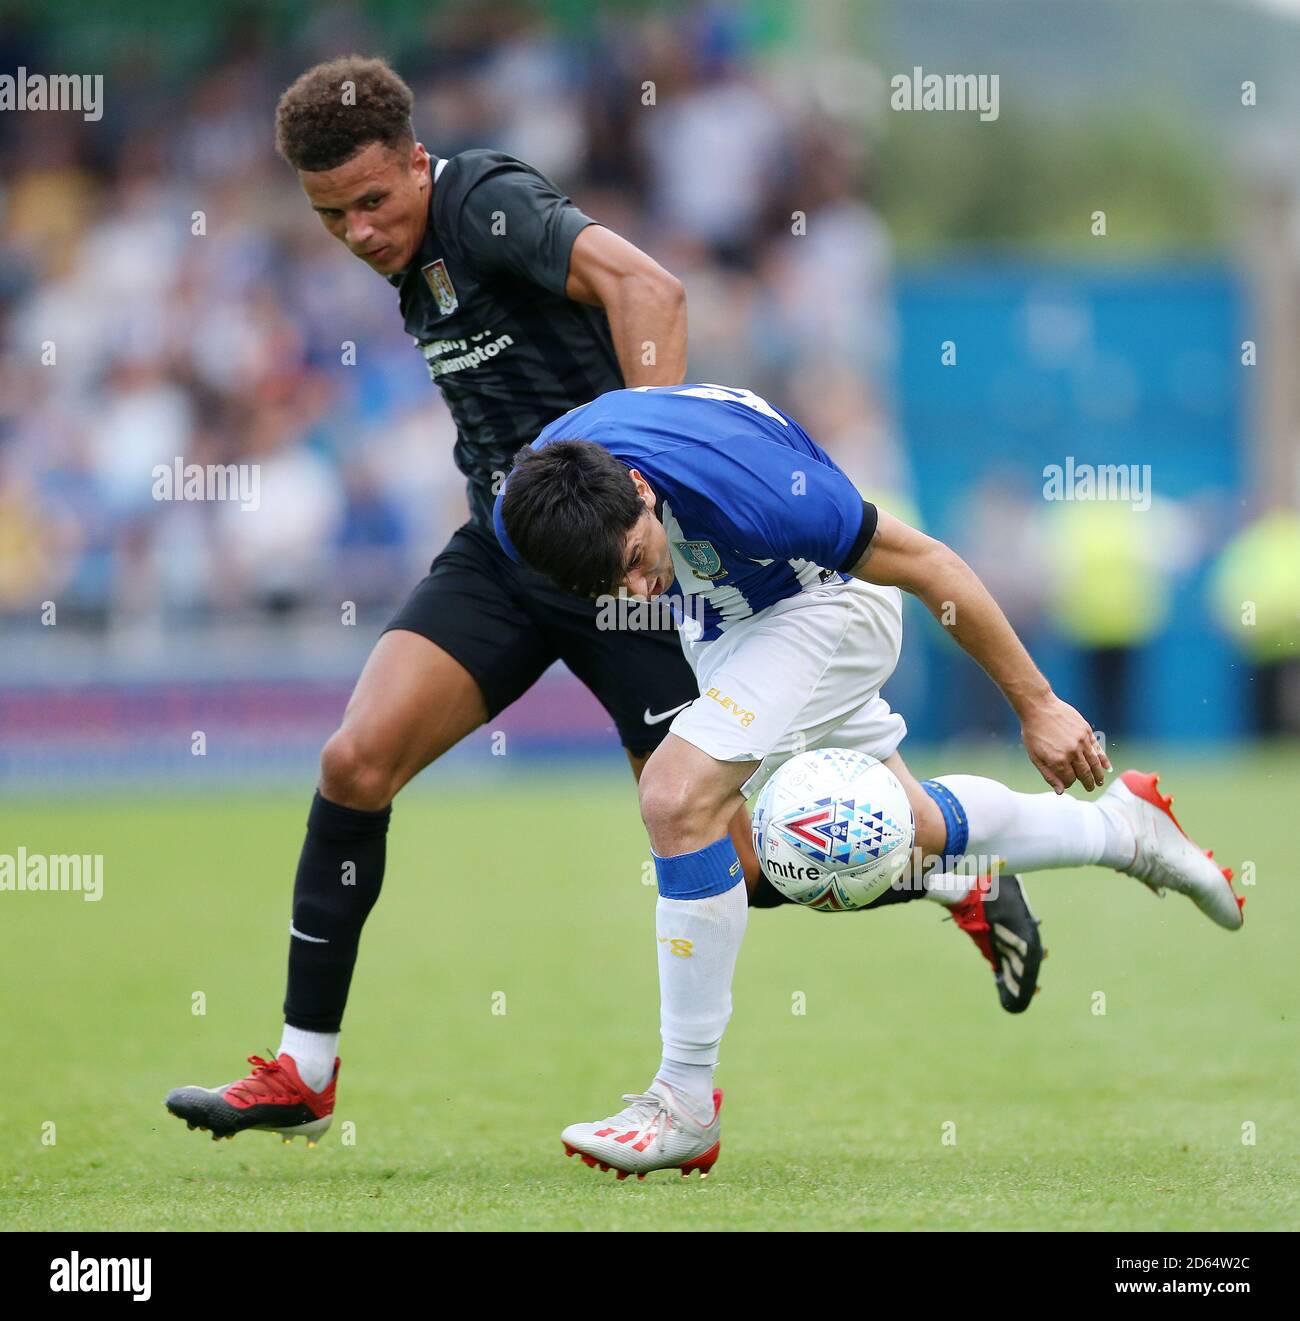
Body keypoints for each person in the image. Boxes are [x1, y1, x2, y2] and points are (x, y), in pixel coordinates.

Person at [162, 56, 1014, 1149]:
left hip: (622, 566)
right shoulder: (399, 246)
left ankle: (956, 876)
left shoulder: (486, 204)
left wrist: (638, 466)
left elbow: (649, 288)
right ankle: (303, 1071)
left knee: (743, 865)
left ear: (418, 166)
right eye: (333, 215)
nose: (362, 232)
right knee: (353, 763)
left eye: (375, 202)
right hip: (509, 553)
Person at [496, 382, 1245, 1179]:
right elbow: (621, 567)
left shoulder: (750, 493)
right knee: (914, 828)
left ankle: (682, 1102)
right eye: (603, 589)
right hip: (728, 618)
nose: (633, 595)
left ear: (641, 489)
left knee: (676, 799)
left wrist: (1038, 704)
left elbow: (930, 564)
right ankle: (1127, 830)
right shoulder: (531, 513)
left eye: (637, 563)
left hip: (826, 604)